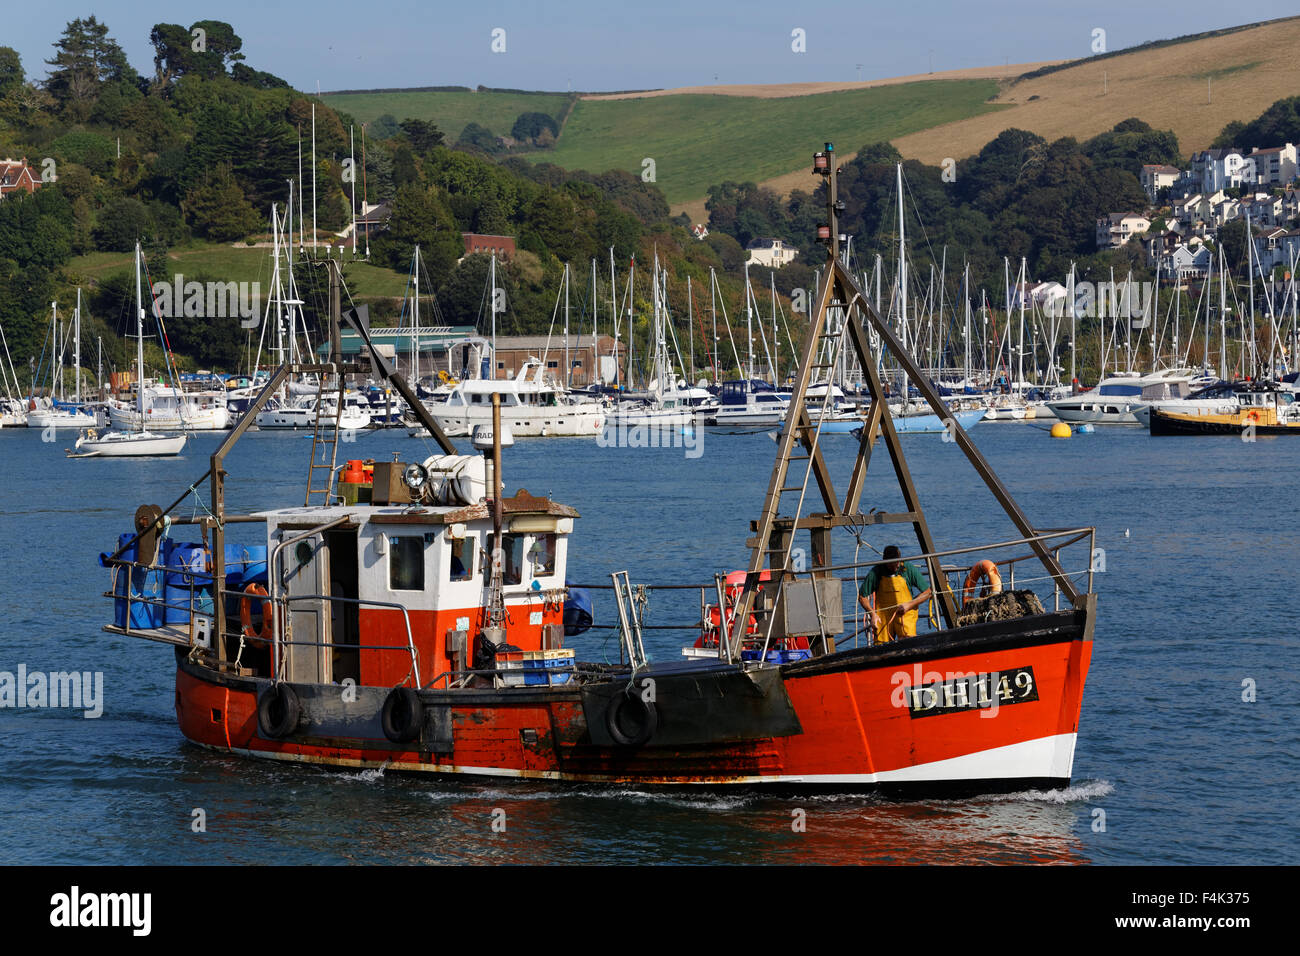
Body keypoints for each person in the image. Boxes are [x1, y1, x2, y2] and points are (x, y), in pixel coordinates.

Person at [858, 545, 933, 644]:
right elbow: (862, 597)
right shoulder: (876, 572)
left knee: (909, 642)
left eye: (897, 564)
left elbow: (927, 592)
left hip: (904, 614)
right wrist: (872, 614)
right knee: (881, 645)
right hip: (883, 617)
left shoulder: (908, 569)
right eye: (891, 565)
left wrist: (909, 604)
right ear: (884, 561)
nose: (895, 567)